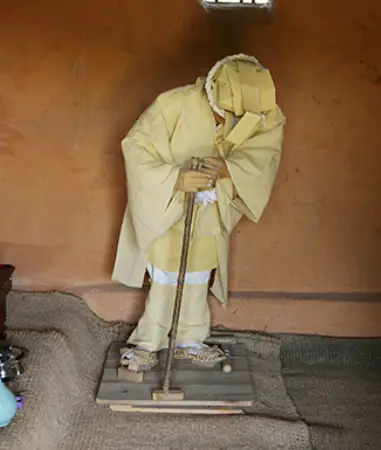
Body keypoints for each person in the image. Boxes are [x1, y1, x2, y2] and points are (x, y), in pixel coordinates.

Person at [111, 54, 286, 372]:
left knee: (198, 275)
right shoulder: (172, 104)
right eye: (228, 114)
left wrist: (229, 168)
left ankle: (189, 339)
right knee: (165, 277)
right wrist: (176, 178)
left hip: (210, 209)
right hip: (169, 208)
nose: (231, 123)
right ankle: (147, 343)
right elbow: (135, 145)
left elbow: (264, 154)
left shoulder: (262, 113)